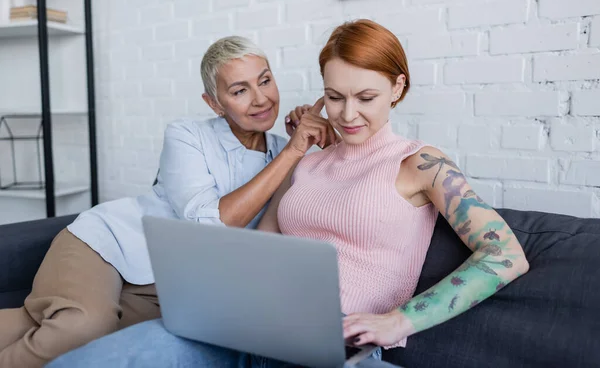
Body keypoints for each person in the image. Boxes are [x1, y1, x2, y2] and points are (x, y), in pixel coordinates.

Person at [47, 19, 530, 368]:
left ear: (397, 88)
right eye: (334, 96)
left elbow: (506, 255)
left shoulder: (420, 164)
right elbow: (262, 246)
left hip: (336, 343)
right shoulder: (307, 161)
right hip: (246, 327)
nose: (347, 114)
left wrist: (400, 321)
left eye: (366, 97)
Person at [0, 36, 335, 368]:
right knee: (83, 326)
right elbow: (209, 224)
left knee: (89, 333)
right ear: (215, 103)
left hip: (172, 282)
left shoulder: (287, 150)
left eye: (265, 80)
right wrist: (293, 150)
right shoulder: (187, 135)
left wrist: (307, 145)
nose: (261, 99)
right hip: (108, 246)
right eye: (239, 90)